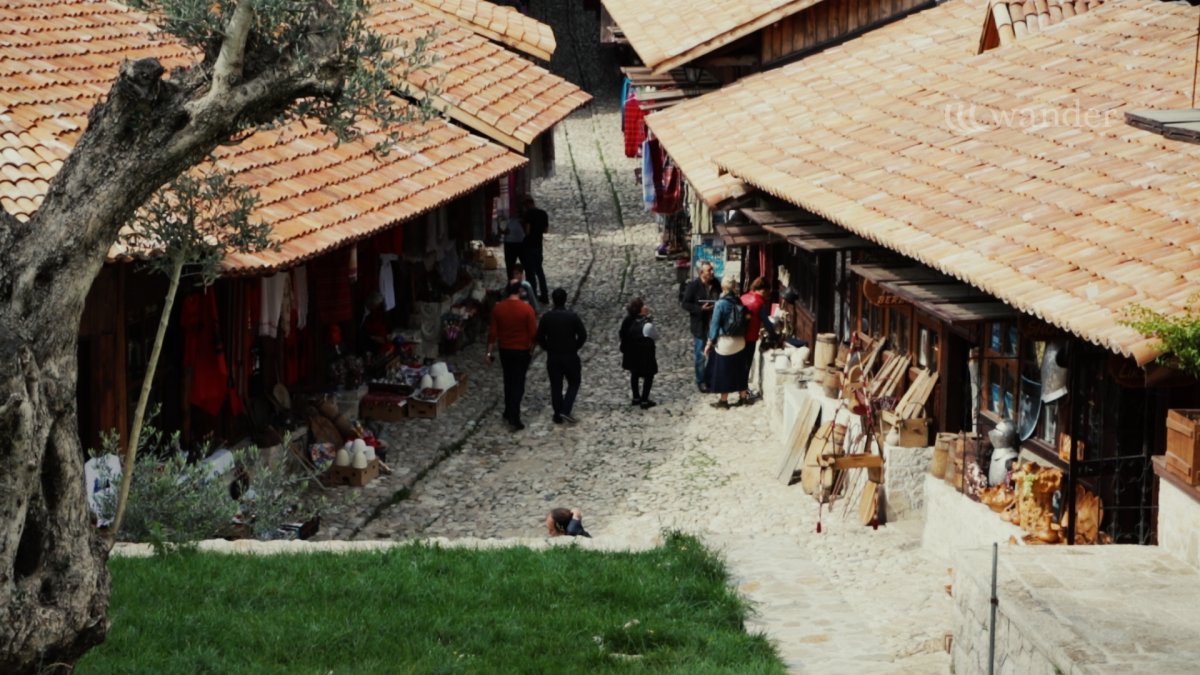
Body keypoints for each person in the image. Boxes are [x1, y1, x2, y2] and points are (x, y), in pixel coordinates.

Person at [487, 283, 538, 431]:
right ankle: (514, 415)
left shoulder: (498, 309)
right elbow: (533, 334)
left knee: (508, 379)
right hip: (522, 350)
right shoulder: (527, 309)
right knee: (518, 383)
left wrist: (489, 353)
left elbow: (492, 333)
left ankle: (508, 410)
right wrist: (532, 350)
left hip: (505, 350)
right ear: (520, 291)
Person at [536, 288, 587, 424]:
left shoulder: (547, 317)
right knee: (574, 382)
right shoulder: (572, 317)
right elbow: (582, 335)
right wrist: (575, 346)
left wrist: (547, 347)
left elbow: (540, 336)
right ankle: (566, 409)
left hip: (553, 356)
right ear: (565, 299)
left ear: (553, 300)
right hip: (570, 355)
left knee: (556, 385)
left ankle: (557, 413)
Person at [705, 276, 752, 408]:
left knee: (723, 371)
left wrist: (709, 343)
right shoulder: (739, 301)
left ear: (723, 287)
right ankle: (743, 397)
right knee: (739, 370)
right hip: (740, 341)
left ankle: (724, 401)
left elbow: (714, 325)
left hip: (725, 342)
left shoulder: (720, 304)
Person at [680, 261, 721, 392]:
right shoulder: (693, 286)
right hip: (700, 326)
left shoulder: (716, 284)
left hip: (714, 324)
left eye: (712, 270)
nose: (712, 273)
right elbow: (685, 304)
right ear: (701, 273)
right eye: (709, 270)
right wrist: (700, 309)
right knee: (700, 355)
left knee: (714, 354)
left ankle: (709, 379)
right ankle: (701, 381)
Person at [739, 276, 777, 398]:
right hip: (750, 338)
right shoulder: (759, 303)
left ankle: (738, 390)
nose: (767, 296)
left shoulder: (743, 297)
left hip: (738, 336)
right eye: (767, 293)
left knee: (738, 364)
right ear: (763, 290)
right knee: (746, 365)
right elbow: (767, 324)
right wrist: (776, 336)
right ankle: (743, 393)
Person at [619, 297, 659, 409]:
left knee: (634, 373)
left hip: (631, 352)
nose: (646, 306)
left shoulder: (627, 320)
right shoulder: (646, 323)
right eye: (643, 305)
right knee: (649, 375)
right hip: (644, 353)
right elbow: (654, 335)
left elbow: (622, 334)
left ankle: (636, 397)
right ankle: (645, 400)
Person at [520, 195, 550, 304]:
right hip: (538, 245)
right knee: (539, 272)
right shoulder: (543, 213)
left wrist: (523, 225)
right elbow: (545, 230)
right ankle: (545, 295)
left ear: (527, 204)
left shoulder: (528, 214)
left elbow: (527, 232)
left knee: (530, 273)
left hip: (529, 246)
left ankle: (533, 297)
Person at [500, 211, 525, 280]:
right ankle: (511, 284)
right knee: (510, 265)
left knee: (525, 265)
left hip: (520, 242)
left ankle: (522, 282)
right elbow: (501, 229)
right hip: (511, 242)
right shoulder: (505, 212)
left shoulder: (523, 214)